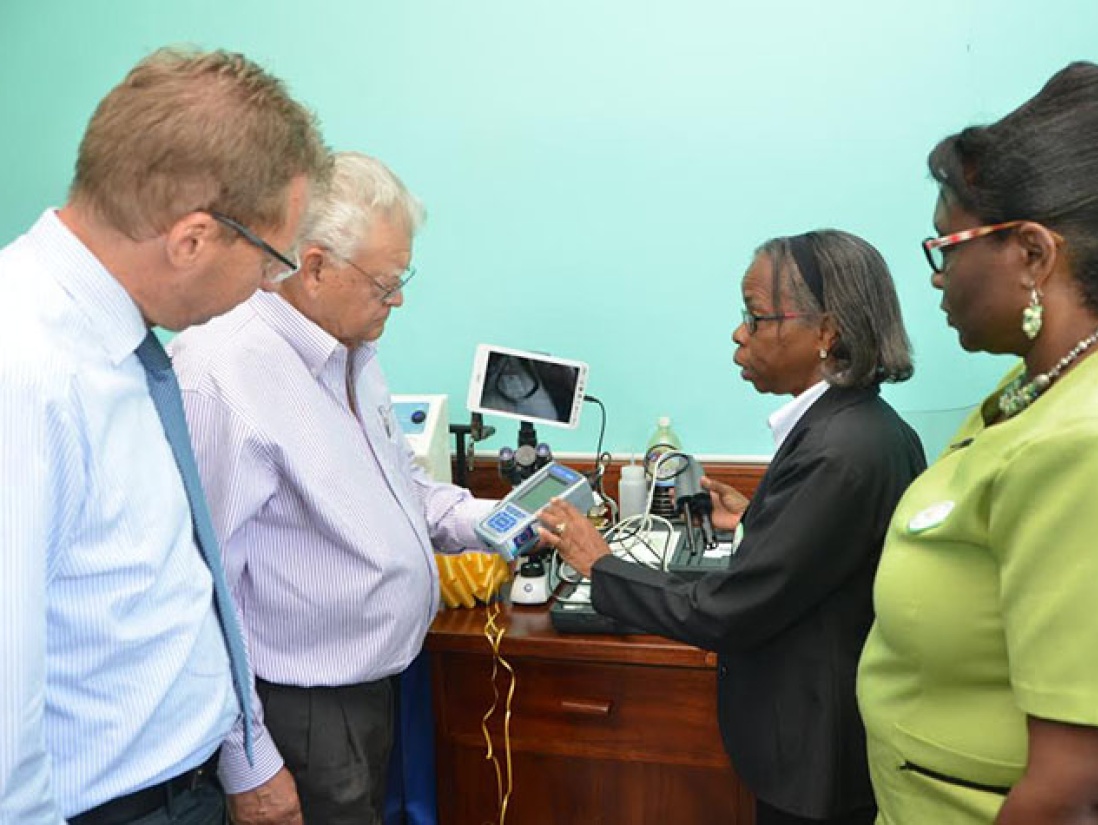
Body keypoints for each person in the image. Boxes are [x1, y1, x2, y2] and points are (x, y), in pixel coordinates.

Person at [857, 61, 1098, 824]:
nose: (939, 278)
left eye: (948, 246)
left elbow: (1094, 788)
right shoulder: (1055, 383)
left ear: (1036, 254)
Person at [0, 47, 328, 824]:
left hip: (184, 785)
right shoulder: (27, 371)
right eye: (271, 259)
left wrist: (243, 752)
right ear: (191, 239)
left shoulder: (119, 346)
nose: (268, 286)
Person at [539, 230, 926, 825]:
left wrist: (602, 566)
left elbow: (731, 610)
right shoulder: (863, 427)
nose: (739, 333)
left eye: (755, 316)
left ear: (826, 331)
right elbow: (829, 560)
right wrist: (759, 517)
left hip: (818, 764)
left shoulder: (838, 450)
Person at [169, 151, 496, 825]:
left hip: (376, 685)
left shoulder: (348, 349)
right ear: (314, 266)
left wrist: (495, 519)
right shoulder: (223, 373)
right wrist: (249, 764)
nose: (398, 297)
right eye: (384, 281)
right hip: (298, 712)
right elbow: (202, 591)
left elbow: (403, 486)